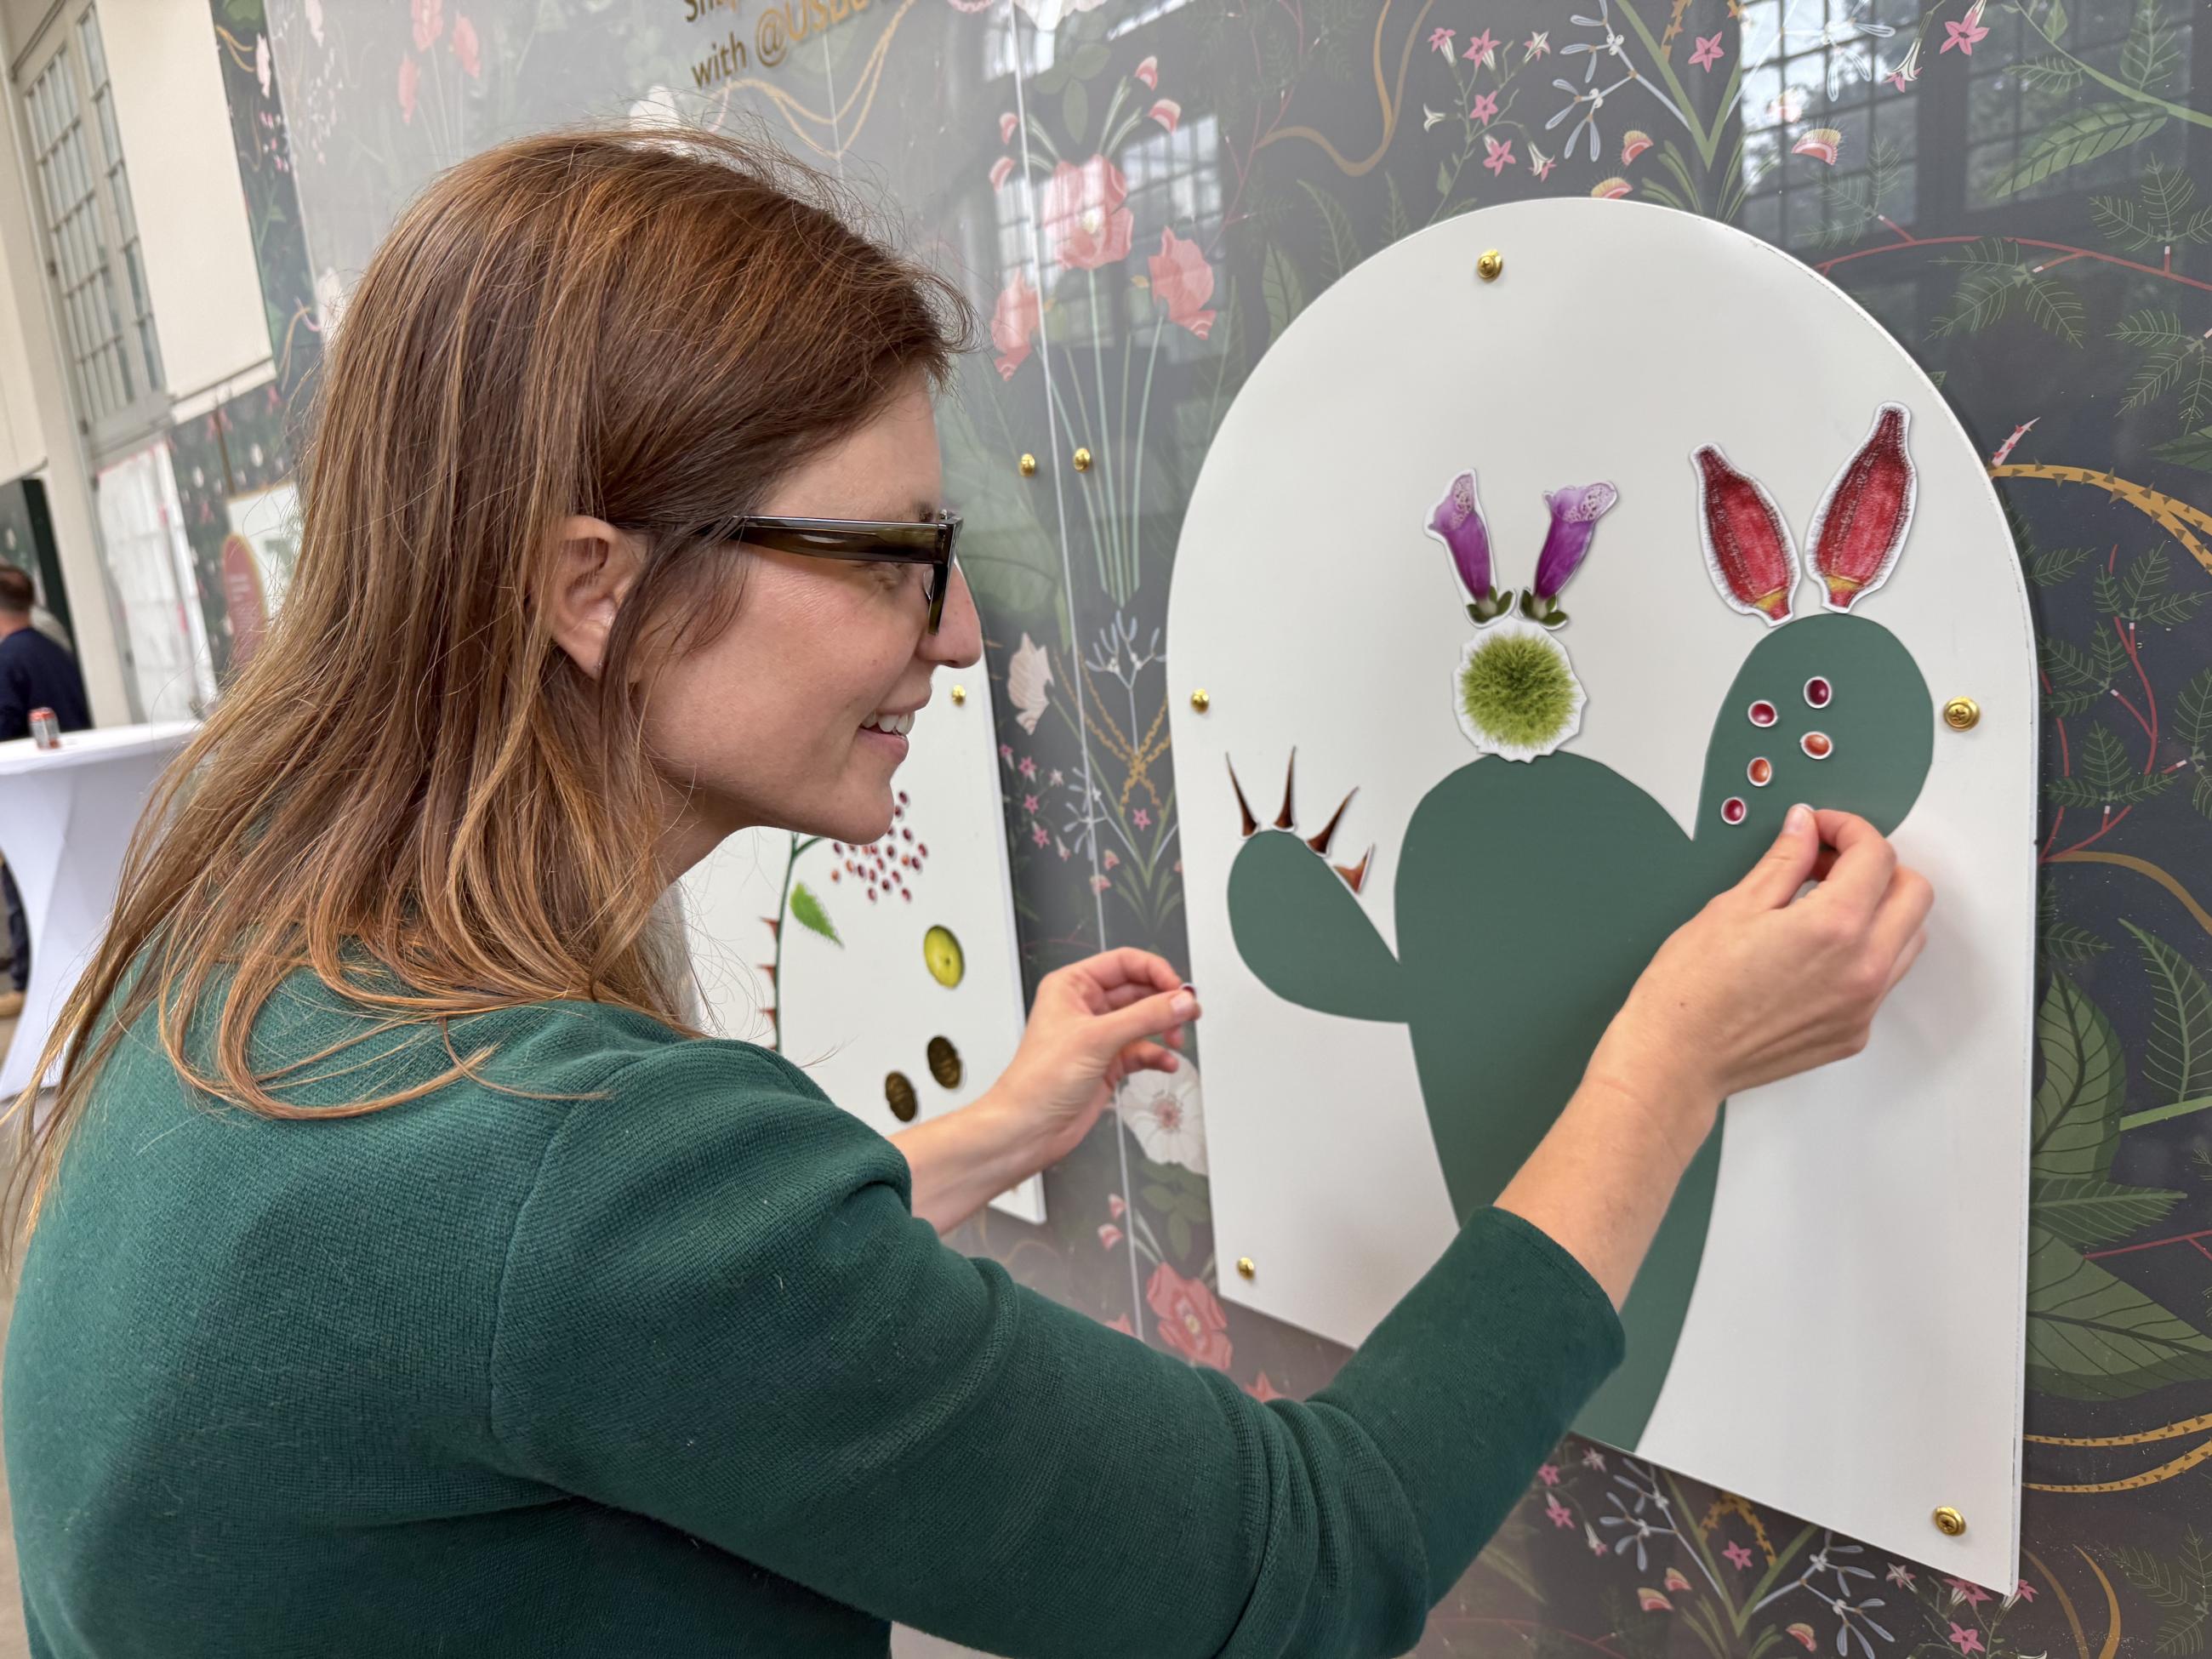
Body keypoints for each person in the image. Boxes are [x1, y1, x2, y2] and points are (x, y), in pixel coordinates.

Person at [1, 129, 1931, 1657]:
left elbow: (535, 1330)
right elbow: (1303, 1561)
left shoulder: (254, 958)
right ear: (589, 582)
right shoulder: (572, 1166)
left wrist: (957, 1142)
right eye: (887, 559)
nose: (945, 640)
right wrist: (1671, 1055)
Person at [0, 564, 91, 1021]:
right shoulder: (52, 649)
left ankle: (29, 986)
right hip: (66, 791)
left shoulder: (7, 659)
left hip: (26, 800)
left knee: (22, 888)